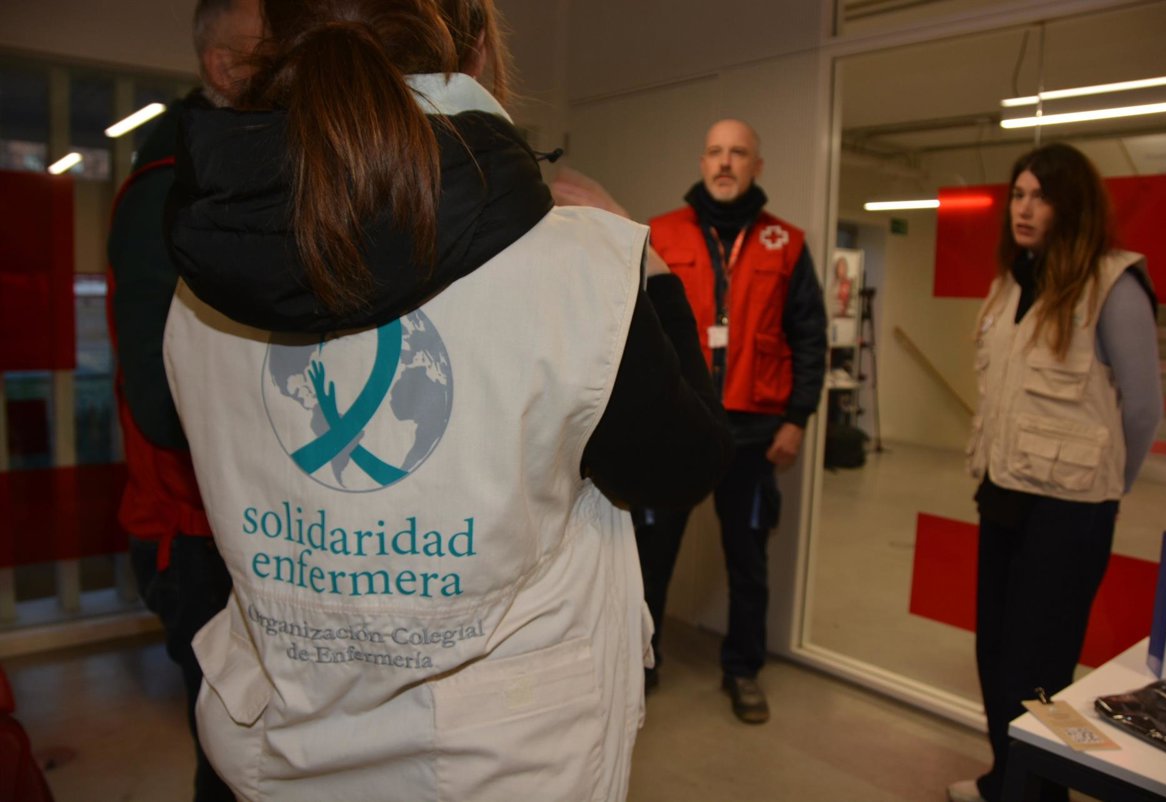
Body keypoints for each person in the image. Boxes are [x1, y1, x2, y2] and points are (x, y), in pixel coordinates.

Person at [160, 1, 733, 799]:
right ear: (480, 46)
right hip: (504, 766)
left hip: (276, 749)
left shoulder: (201, 280)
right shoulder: (576, 271)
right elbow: (682, 465)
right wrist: (650, 273)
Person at [949, 142, 1162, 802]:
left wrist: (1109, 487)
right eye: (1018, 194)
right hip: (1003, 495)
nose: (1024, 208)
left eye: (1040, 196)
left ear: (1072, 205)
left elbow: (1144, 408)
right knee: (994, 654)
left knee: (1038, 668)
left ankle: (1038, 793)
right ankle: (1004, 780)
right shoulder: (1011, 282)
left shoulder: (1114, 286)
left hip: (1070, 510)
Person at [106, 2, 261, 800]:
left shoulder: (238, 172)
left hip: (242, 527)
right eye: (276, 53)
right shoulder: (169, 189)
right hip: (195, 536)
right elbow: (161, 398)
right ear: (223, 67)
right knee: (234, 766)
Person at [636, 119, 828, 723]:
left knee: (748, 562)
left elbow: (810, 336)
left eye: (738, 152)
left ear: (756, 166)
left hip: (753, 433)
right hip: (677, 426)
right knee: (649, 556)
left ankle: (742, 669)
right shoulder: (659, 234)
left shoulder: (785, 243)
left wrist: (797, 418)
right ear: (702, 162)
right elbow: (633, 330)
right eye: (716, 152)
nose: (725, 162)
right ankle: (641, 662)